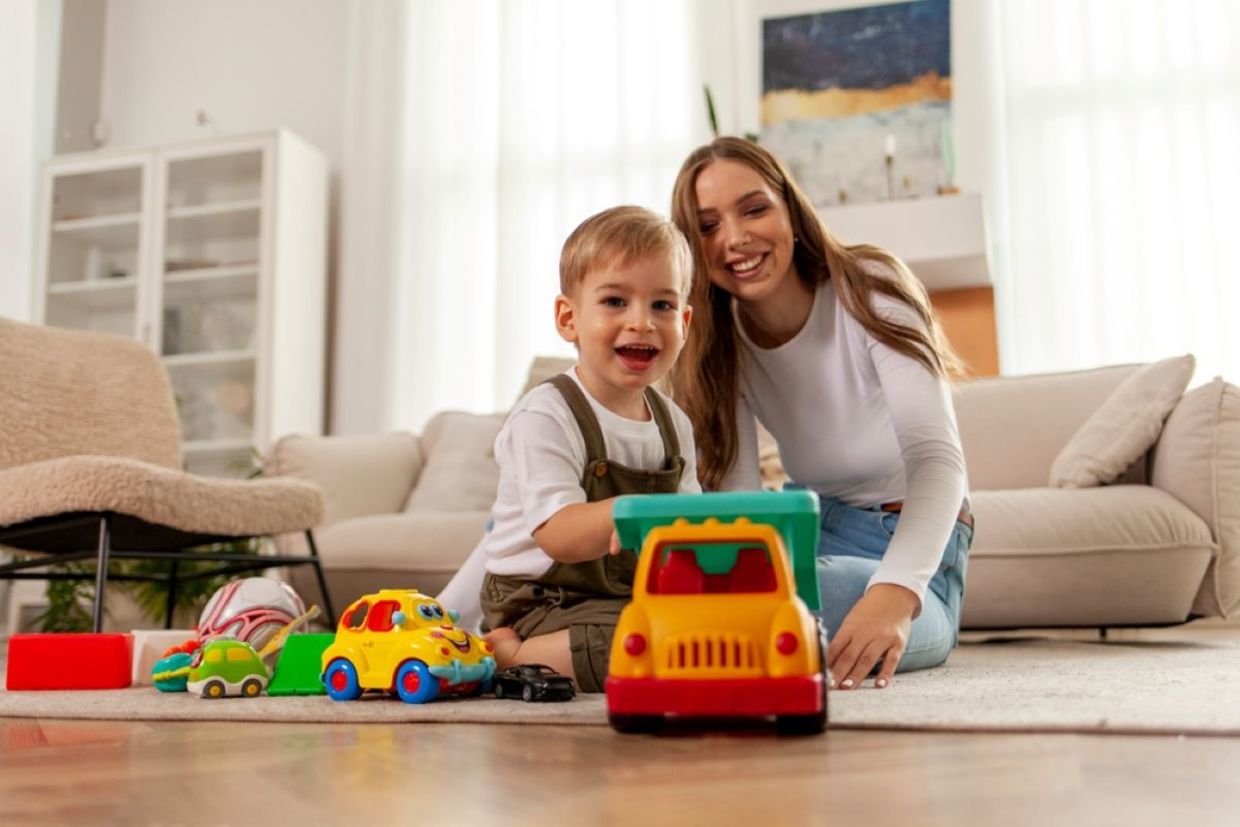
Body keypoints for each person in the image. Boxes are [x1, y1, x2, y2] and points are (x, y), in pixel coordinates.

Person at [668, 137, 972, 691]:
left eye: (754, 208)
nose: (735, 238)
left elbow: (937, 460)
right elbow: (740, 502)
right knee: (713, 595)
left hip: (908, 543)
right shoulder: (717, 343)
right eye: (708, 226)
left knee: (802, 605)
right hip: (812, 529)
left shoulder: (870, 286)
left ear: (790, 207)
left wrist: (894, 593)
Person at [476, 205, 700, 693]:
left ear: (684, 320)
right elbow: (559, 534)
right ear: (569, 318)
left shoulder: (674, 424)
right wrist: (629, 512)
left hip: (625, 592)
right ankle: (515, 657)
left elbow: (687, 525)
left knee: (708, 627)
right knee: (639, 640)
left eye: (662, 306)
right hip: (543, 600)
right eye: (616, 301)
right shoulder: (546, 415)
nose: (642, 322)